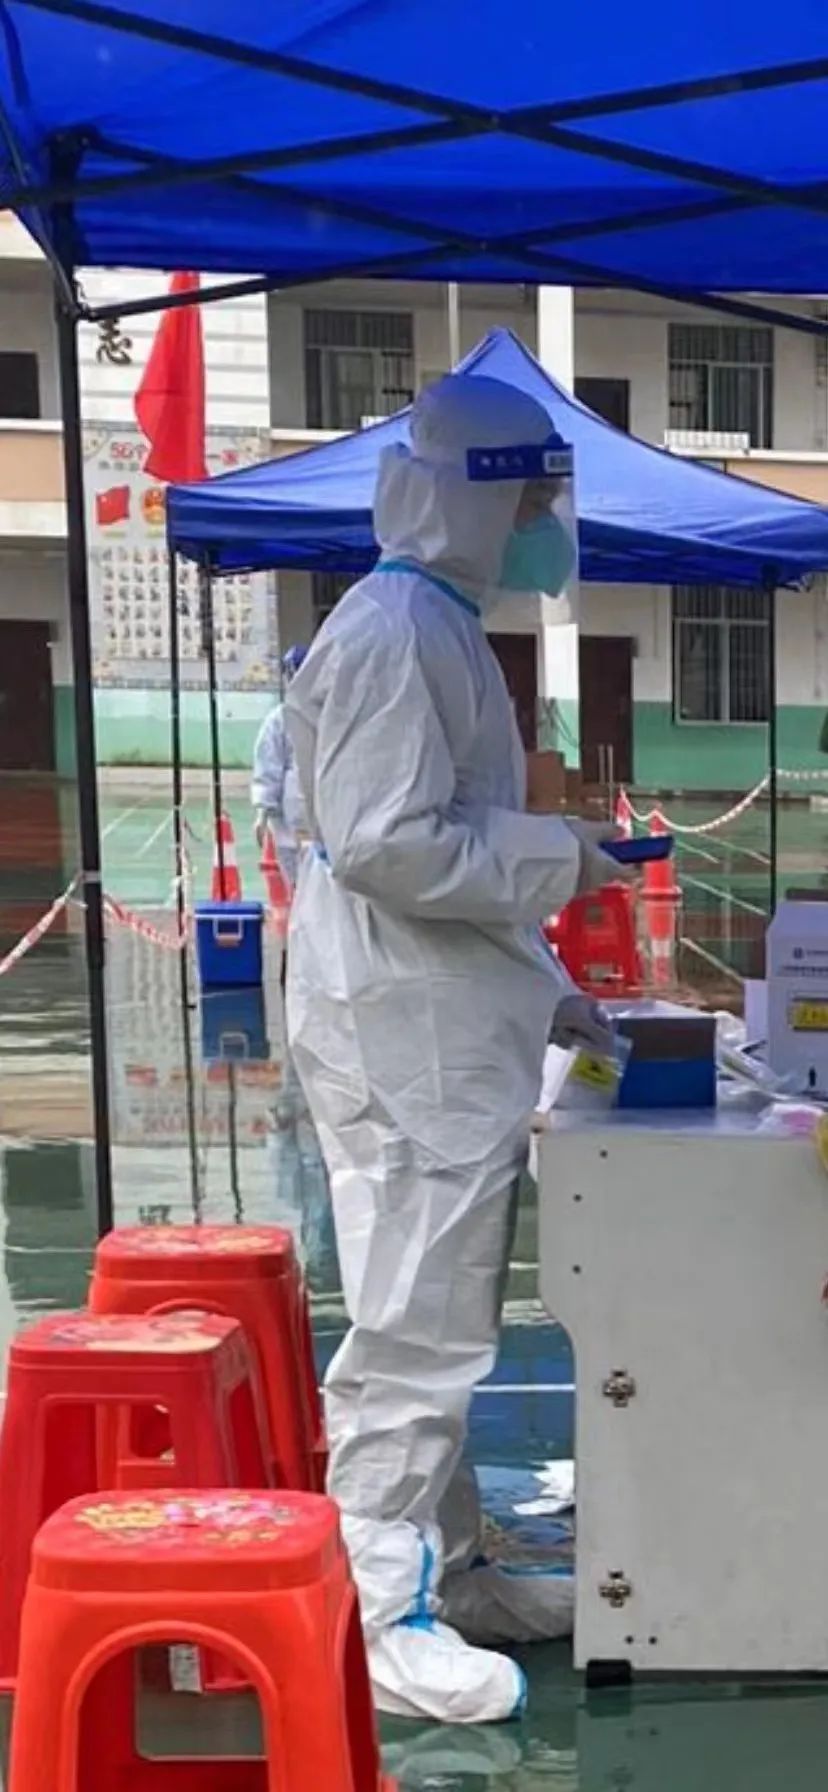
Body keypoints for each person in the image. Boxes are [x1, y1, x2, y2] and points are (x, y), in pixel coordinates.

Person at [284, 373, 628, 1725]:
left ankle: (452, 1569)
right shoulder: (393, 633)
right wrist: (562, 854)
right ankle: (377, 1614)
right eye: (532, 497)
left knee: (444, 1320)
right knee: (414, 1332)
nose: (543, 523)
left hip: (432, 1016)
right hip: (403, 1037)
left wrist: (550, 992)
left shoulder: (436, 625)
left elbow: (444, 861)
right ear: (477, 496)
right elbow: (391, 847)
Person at [251, 644, 309, 889]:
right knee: (298, 881)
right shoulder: (281, 719)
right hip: (290, 818)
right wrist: (263, 809)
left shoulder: (330, 715)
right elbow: (268, 765)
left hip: (324, 817)